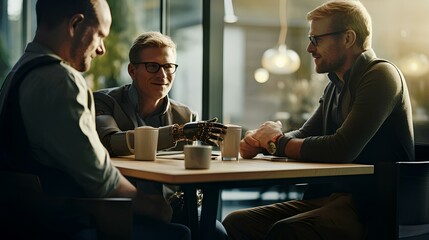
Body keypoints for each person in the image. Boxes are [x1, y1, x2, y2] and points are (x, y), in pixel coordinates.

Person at [0, 1, 196, 239]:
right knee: (182, 233)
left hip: (25, 220)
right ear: (76, 24)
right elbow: (100, 179)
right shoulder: (61, 82)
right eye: (100, 35)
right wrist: (153, 206)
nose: (101, 49)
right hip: (67, 225)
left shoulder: (17, 73)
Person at [222, 1, 414, 239]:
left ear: (348, 38)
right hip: (333, 198)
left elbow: (341, 149)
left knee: (288, 231)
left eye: (316, 39)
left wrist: (275, 142)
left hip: (373, 206)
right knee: (238, 222)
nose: (309, 49)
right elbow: (302, 135)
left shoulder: (381, 75)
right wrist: (261, 142)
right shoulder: (335, 85)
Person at [93, 31, 228, 239]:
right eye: (152, 66)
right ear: (132, 70)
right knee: (181, 234)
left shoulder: (186, 114)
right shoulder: (104, 102)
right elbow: (111, 142)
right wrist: (178, 133)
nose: (162, 75)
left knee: (217, 233)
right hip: (124, 206)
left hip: (172, 207)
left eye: (168, 67)